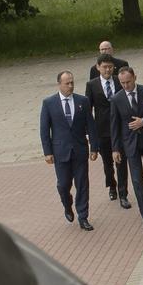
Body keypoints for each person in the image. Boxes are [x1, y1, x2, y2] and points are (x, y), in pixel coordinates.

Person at [40, 70, 101, 231]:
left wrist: (94, 147)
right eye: (67, 83)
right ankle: (67, 204)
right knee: (63, 185)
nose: (71, 86)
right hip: (60, 152)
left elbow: (91, 125)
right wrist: (47, 152)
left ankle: (83, 216)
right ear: (59, 84)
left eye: (72, 82)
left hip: (80, 150)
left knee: (82, 184)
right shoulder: (49, 103)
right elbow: (44, 130)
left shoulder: (83, 101)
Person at [110, 66, 143, 228]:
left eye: (128, 82)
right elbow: (114, 125)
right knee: (137, 180)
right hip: (129, 144)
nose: (126, 85)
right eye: (122, 83)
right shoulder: (117, 99)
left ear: (135, 78)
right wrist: (115, 149)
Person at [84, 53, 130, 206]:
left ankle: (123, 193)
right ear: (98, 67)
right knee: (108, 163)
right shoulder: (92, 85)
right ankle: (112, 186)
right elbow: (88, 110)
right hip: (102, 130)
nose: (108, 70)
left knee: (121, 162)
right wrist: (89, 132)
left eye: (110, 67)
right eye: (104, 67)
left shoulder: (119, 81)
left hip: (120, 128)